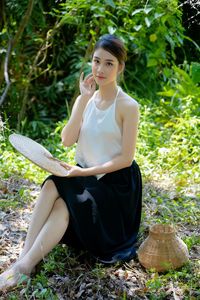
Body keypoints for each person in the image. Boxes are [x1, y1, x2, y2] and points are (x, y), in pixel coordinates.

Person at [0, 34, 142, 291]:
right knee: (51, 185)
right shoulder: (85, 99)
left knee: (65, 204)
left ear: (120, 67)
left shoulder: (128, 106)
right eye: (96, 61)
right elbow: (67, 141)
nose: (100, 69)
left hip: (115, 186)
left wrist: (82, 172)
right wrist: (83, 100)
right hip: (86, 176)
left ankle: (23, 267)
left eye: (109, 63)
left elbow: (126, 159)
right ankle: (24, 260)